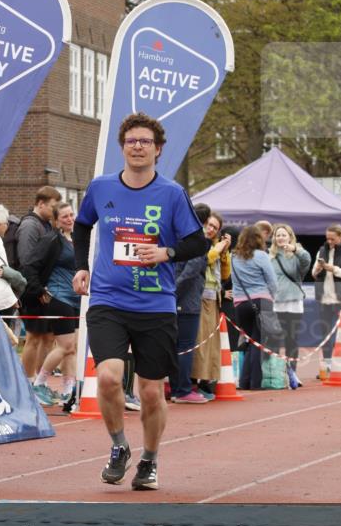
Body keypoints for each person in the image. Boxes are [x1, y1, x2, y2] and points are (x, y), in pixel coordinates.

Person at [72, 112, 207, 491]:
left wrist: (166, 252)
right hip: (108, 300)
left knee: (150, 391)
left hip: (155, 305)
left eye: (145, 141)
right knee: (109, 377)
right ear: (122, 147)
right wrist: (81, 267)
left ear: (158, 149)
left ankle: (149, 459)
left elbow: (198, 242)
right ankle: (119, 446)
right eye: (131, 141)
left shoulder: (172, 193)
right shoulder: (101, 187)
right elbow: (82, 225)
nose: (137, 147)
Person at [23, 202, 80, 406]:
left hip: (77, 298)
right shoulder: (51, 240)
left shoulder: (79, 239)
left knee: (72, 348)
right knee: (65, 346)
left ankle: (68, 390)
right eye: (64, 216)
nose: (70, 219)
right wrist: (39, 290)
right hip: (58, 297)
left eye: (71, 214)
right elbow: (29, 266)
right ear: (56, 221)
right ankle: (39, 383)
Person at [16, 185, 61, 380]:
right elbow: (26, 261)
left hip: (45, 289)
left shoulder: (46, 225)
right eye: (53, 206)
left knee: (47, 337)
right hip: (33, 291)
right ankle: (27, 381)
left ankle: (39, 382)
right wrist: (37, 289)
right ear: (41, 204)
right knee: (33, 337)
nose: (55, 211)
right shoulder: (30, 226)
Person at [169, 201, 211, 404]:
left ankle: (175, 387)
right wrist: (174, 295)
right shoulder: (197, 242)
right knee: (185, 346)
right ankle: (183, 390)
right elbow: (190, 273)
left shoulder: (177, 237)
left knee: (175, 346)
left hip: (175, 298)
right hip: (187, 301)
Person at [231, 225, 278, 390]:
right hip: (261, 301)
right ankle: (255, 382)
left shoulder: (233, 257)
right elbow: (272, 281)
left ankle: (244, 381)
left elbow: (234, 281)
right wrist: (272, 297)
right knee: (258, 343)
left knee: (249, 342)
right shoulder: (262, 256)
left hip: (240, 304)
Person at [190, 212, 231, 398]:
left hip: (213, 298)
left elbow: (225, 275)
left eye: (215, 227)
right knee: (198, 342)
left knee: (210, 344)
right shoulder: (196, 242)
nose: (211, 229)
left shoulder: (216, 245)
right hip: (197, 298)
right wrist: (218, 248)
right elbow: (205, 260)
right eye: (209, 225)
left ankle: (205, 381)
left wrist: (225, 252)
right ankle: (193, 382)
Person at [312, 224, 341, 372]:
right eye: (328, 238)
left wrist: (335, 270)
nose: (329, 242)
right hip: (324, 299)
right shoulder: (322, 250)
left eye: (333, 239)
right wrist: (318, 268)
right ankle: (327, 365)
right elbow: (313, 274)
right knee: (325, 334)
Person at [269, 223, 311, 381]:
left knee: (291, 339)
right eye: (278, 235)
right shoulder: (270, 256)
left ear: (290, 237)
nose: (280, 238)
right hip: (275, 302)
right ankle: (274, 372)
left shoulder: (297, 254)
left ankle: (292, 373)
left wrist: (295, 249)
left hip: (293, 302)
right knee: (273, 338)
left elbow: (307, 261)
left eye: (283, 235)